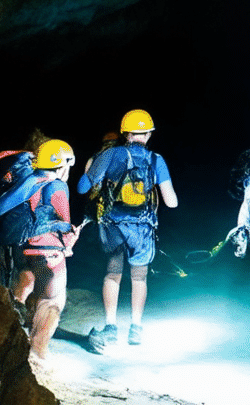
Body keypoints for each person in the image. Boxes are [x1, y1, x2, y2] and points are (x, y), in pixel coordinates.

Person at [77, 108, 178, 353]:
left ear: (125, 134)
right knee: (139, 277)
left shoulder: (110, 154)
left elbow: (82, 188)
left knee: (112, 274)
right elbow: (172, 201)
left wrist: (94, 171)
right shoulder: (157, 160)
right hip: (143, 228)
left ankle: (111, 327)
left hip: (113, 225)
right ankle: (136, 327)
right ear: (148, 135)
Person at [0, 139, 80, 360]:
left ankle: (6, 335)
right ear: (61, 165)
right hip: (49, 252)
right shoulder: (58, 186)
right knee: (53, 300)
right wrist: (70, 240)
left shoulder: (28, 180)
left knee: (23, 286)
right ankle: (37, 353)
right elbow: (63, 224)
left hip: (22, 248)